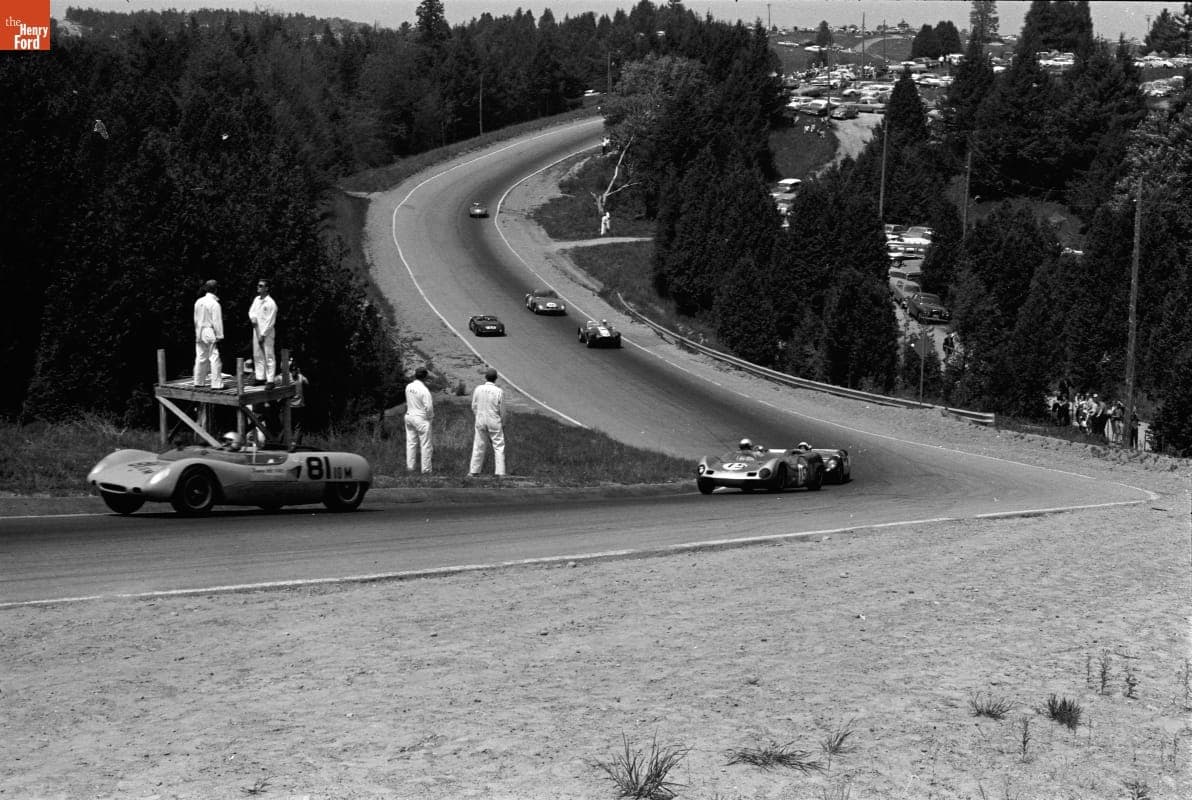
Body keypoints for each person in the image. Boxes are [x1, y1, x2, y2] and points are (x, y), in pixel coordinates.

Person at [469, 368, 507, 476]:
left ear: (485, 377)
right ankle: (500, 472)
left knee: (478, 445)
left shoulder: (478, 389)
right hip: (494, 419)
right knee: (499, 446)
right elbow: (502, 411)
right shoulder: (499, 391)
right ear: (496, 378)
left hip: (480, 419)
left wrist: (478, 415)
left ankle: (474, 471)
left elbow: (474, 406)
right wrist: (503, 423)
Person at [193, 279, 224, 389]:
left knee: (201, 356)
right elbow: (217, 321)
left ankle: (198, 381)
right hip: (209, 330)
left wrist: (197, 333)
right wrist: (219, 335)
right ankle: (216, 383)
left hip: (199, 330)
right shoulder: (214, 304)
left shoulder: (198, 302)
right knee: (214, 357)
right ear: (216, 289)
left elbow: (196, 319)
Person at [404, 366, 434, 473]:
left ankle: (410, 467)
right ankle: (426, 470)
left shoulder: (409, 386)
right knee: (425, 445)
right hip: (420, 418)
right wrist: (430, 418)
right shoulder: (424, 390)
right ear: (425, 377)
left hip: (409, 415)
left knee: (411, 443)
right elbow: (429, 407)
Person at [248, 279, 278, 386]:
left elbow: (271, 321)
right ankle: (260, 377)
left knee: (269, 355)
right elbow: (251, 312)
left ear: (266, 288)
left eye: (261, 286)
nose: (258, 287)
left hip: (267, 333)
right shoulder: (256, 299)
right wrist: (253, 319)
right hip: (256, 330)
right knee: (257, 354)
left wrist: (263, 334)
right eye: (258, 285)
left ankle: (270, 380)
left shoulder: (271, 303)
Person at [288, 361, 309, 444]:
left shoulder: (288, 378)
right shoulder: (300, 377)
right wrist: (300, 373)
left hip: (291, 406)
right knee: (298, 426)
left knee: (291, 426)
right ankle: (296, 443)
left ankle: (291, 442)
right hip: (299, 406)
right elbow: (307, 383)